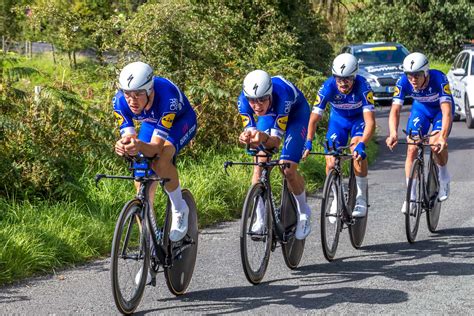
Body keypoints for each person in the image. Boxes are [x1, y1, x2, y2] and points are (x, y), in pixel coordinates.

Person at [113, 61, 197, 242]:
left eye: (138, 95)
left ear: (150, 90)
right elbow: (130, 138)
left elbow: (156, 148)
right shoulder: (120, 101)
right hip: (152, 123)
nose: (132, 100)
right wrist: (124, 145)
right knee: (139, 176)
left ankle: (179, 208)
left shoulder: (168, 97)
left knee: (160, 161)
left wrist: (139, 146)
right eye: (128, 94)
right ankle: (149, 239)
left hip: (180, 121)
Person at [237, 70, 312, 240]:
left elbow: (274, 143)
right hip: (270, 116)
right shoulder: (242, 101)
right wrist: (247, 136)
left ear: (270, 94)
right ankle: (260, 218)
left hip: (295, 115)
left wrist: (262, 137)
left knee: (287, 169)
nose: (257, 105)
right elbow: (251, 130)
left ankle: (304, 211)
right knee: (259, 166)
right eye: (253, 101)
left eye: (262, 99)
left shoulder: (282, 96)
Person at [303, 53, 376, 221]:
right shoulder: (327, 87)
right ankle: (336, 197)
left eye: (348, 79)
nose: (343, 82)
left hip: (359, 121)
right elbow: (313, 119)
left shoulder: (363, 86)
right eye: (339, 78)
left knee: (356, 152)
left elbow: (370, 122)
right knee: (330, 157)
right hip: (339, 122)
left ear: (355, 76)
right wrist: (308, 141)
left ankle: (361, 197)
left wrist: (362, 143)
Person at [386, 52, 453, 213]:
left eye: (417, 75)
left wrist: (442, 137)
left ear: (425, 73)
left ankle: (444, 178)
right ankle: (412, 196)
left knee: (435, 144)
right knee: (412, 148)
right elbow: (395, 110)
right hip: (420, 110)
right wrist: (393, 133)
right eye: (410, 76)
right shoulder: (403, 82)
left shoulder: (439, 79)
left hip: (439, 111)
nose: (413, 80)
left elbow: (447, 112)